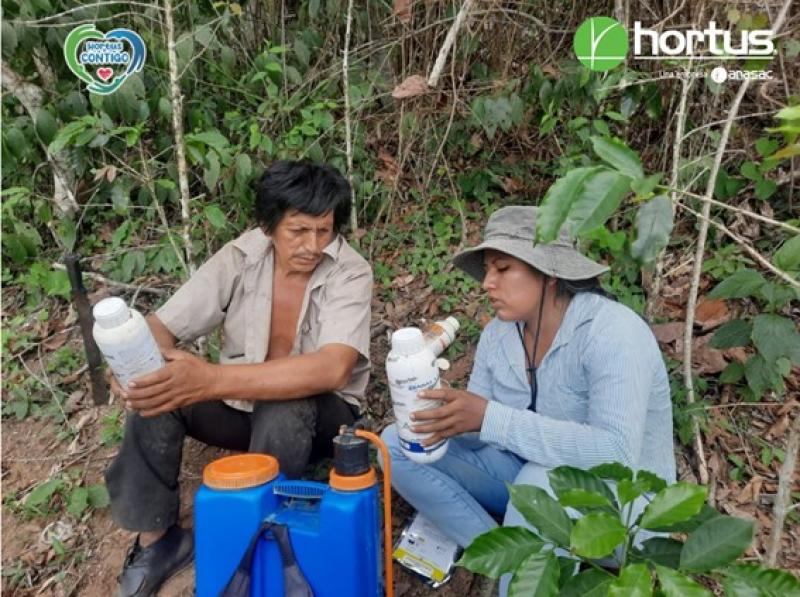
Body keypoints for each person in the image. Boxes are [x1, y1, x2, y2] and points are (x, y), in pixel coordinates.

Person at [105, 160, 373, 597]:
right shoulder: (240, 257)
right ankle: (158, 542)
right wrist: (131, 363)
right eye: (298, 231)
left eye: (324, 231)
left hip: (322, 418)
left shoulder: (350, 271)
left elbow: (332, 368)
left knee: (288, 400)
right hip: (242, 409)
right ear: (269, 227)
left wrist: (210, 379)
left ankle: (258, 537)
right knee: (158, 385)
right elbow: (162, 325)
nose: (313, 245)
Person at [381, 205, 676, 584]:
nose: (488, 282)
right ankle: (501, 556)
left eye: (503, 269)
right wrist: (448, 414)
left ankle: (524, 574)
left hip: (624, 514)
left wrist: (489, 417)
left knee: (537, 482)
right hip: (528, 481)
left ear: (550, 274)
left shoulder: (612, 332)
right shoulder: (499, 334)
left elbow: (614, 452)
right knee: (396, 445)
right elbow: (478, 434)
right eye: (488, 270)